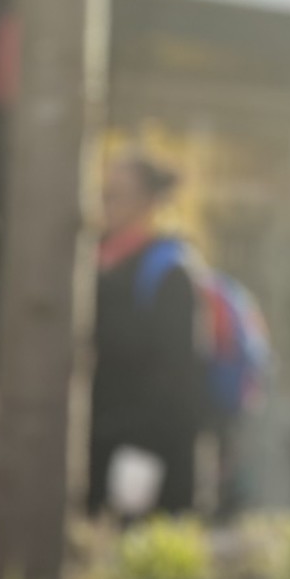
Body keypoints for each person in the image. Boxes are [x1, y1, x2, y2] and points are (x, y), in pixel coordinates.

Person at [90, 152, 202, 520]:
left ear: (148, 202)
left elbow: (178, 377)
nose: (105, 203)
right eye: (102, 192)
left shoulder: (169, 272)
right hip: (91, 443)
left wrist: (144, 450)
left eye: (115, 195)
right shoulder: (92, 260)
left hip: (139, 452)